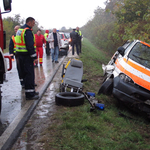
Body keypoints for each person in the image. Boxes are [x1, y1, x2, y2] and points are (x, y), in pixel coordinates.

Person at [15, 17, 39, 100]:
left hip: (20, 56)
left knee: (26, 74)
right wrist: (34, 57)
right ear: (29, 23)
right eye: (33, 23)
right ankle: (30, 95)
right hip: (26, 57)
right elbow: (30, 46)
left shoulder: (20, 30)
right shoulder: (27, 31)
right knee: (29, 75)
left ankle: (31, 91)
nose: (34, 24)